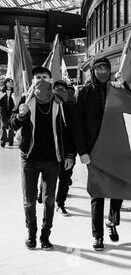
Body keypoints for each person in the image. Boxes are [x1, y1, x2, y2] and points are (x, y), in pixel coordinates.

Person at [10, 66, 75, 250]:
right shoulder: (25, 100)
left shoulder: (60, 103)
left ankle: (45, 236)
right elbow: (13, 124)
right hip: (29, 160)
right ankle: (31, 234)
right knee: (29, 201)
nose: (41, 80)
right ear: (33, 81)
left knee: (49, 200)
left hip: (52, 161)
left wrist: (69, 154)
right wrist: (21, 115)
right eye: (37, 77)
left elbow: (69, 132)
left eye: (44, 77)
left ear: (51, 80)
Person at [74, 57, 124, 251]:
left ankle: (112, 221)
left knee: (117, 189)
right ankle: (97, 235)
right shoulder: (84, 93)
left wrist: (125, 88)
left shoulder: (119, 92)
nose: (103, 71)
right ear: (93, 71)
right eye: (99, 68)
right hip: (94, 151)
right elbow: (77, 126)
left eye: (106, 68)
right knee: (98, 193)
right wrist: (83, 152)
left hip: (117, 150)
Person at [52, 81, 77, 217]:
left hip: (66, 152)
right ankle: (41, 193)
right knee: (48, 178)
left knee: (64, 178)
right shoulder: (47, 107)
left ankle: (60, 203)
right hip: (50, 153)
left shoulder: (71, 108)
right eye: (57, 89)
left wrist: (71, 155)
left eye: (63, 89)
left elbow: (75, 133)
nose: (60, 91)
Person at [0, 78, 15, 147]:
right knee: (3, 126)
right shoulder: (1, 91)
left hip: (11, 111)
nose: (11, 83)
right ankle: (3, 140)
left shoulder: (14, 91)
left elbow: (16, 101)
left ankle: (11, 140)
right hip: (3, 111)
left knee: (11, 126)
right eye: (9, 82)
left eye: (12, 82)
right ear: (6, 83)